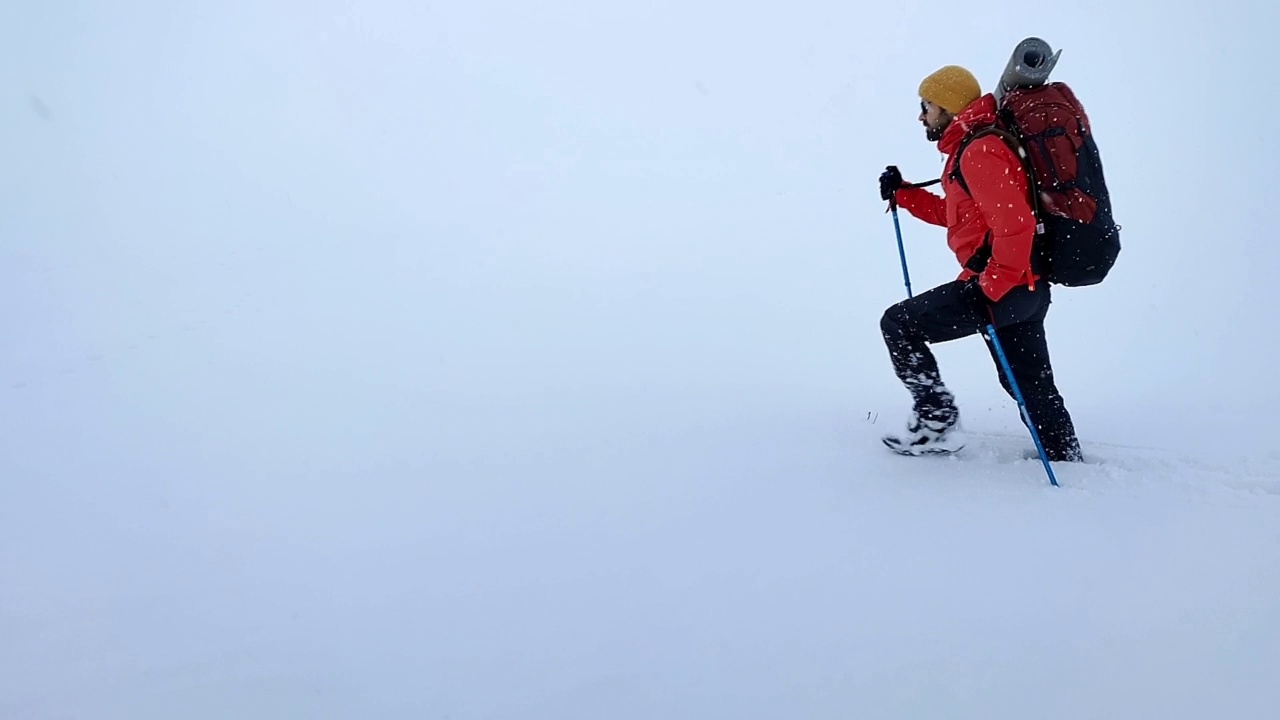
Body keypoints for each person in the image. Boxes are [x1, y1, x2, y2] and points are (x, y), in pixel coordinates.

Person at [877, 64, 1083, 461]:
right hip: (1026, 288)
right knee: (1027, 384)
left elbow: (1015, 224)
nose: (922, 116)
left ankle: (935, 420)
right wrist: (904, 196)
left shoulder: (979, 151)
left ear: (950, 107)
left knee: (898, 324)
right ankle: (1063, 455)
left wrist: (990, 286)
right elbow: (958, 216)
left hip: (1002, 287)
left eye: (928, 106)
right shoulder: (971, 150)